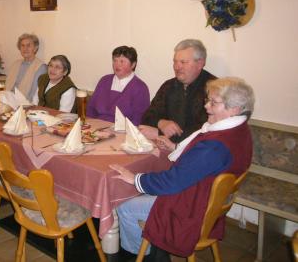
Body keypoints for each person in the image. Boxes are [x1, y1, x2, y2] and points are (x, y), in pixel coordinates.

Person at [112, 77, 255, 259]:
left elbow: (172, 182)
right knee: (145, 184)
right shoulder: (239, 132)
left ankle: (140, 255)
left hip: (191, 210)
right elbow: (200, 165)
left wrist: (135, 178)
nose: (206, 107)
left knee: (125, 206)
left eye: (213, 102)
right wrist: (174, 148)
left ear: (234, 109)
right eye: (207, 100)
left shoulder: (215, 145)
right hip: (207, 202)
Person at [139, 39, 216, 143]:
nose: (177, 67)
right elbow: (147, 117)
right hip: (164, 147)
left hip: (195, 151)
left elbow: (206, 131)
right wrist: (161, 123)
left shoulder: (214, 89)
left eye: (183, 62)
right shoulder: (168, 86)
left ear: (200, 63)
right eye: (175, 61)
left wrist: (159, 133)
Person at [87, 46, 149, 125]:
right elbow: (90, 109)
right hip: (96, 128)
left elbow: (138, 120)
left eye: (122, 61)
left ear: (133, 65)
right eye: (115, 60)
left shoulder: (140, 88)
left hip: (122, 132)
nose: (117, 64)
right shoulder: (104, 81)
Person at [4, 33, 47, 101]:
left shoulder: (41, 67)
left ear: (35, 48)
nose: (25, 48)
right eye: (22, 46)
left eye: (28, 45)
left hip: (24, 104)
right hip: (8, 100)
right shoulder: (15, 64)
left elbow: (34, 94)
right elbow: (7, 86)